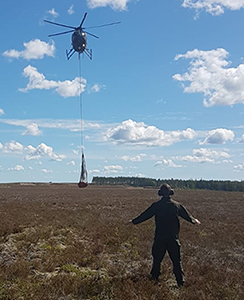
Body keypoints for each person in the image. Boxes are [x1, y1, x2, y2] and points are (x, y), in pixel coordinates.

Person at [128, 183, 200, 287]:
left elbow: (145, 215)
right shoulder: (176, 205)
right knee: (176, 261)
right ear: (170, 193)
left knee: (157, 260)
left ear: (160, 193)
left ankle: (154, 279)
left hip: (160, 238)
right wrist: (194, 221)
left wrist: (133, 222)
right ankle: (180, 282)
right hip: (173, 238)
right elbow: (187, 216)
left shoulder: (156, 206)